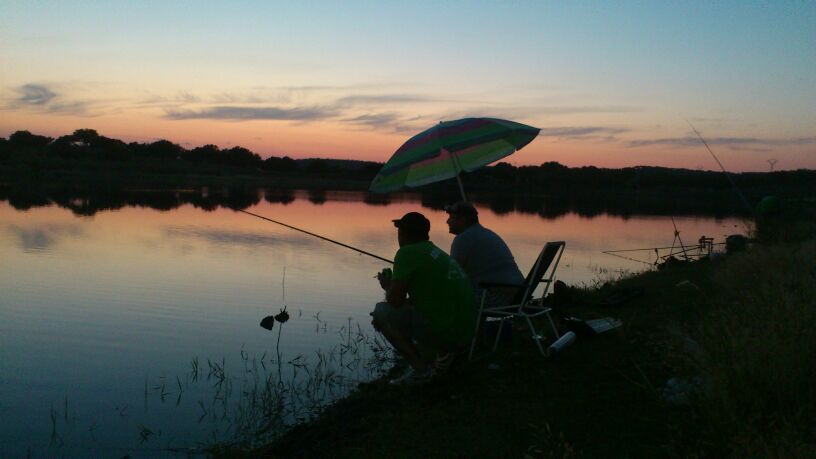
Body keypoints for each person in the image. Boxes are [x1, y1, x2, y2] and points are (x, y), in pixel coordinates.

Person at [371, 211, 477, 385]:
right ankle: (440, 356)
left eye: (399, 232)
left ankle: (423, 370)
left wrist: (387, 286)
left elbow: (394, 302)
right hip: (466, 334)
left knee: (381, 312)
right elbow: (422, 299)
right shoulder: (435, 252)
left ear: (403, 234)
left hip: (448, 334)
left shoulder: (406, 253)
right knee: (387, 314)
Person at [445, 201, 524, 306]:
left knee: (445, 296)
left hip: (499, 296)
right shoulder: (485, 233)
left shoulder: (463, 239)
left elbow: (451, 274)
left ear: (462, 219)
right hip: (519, 294)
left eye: (451, 217)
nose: (447, 221)